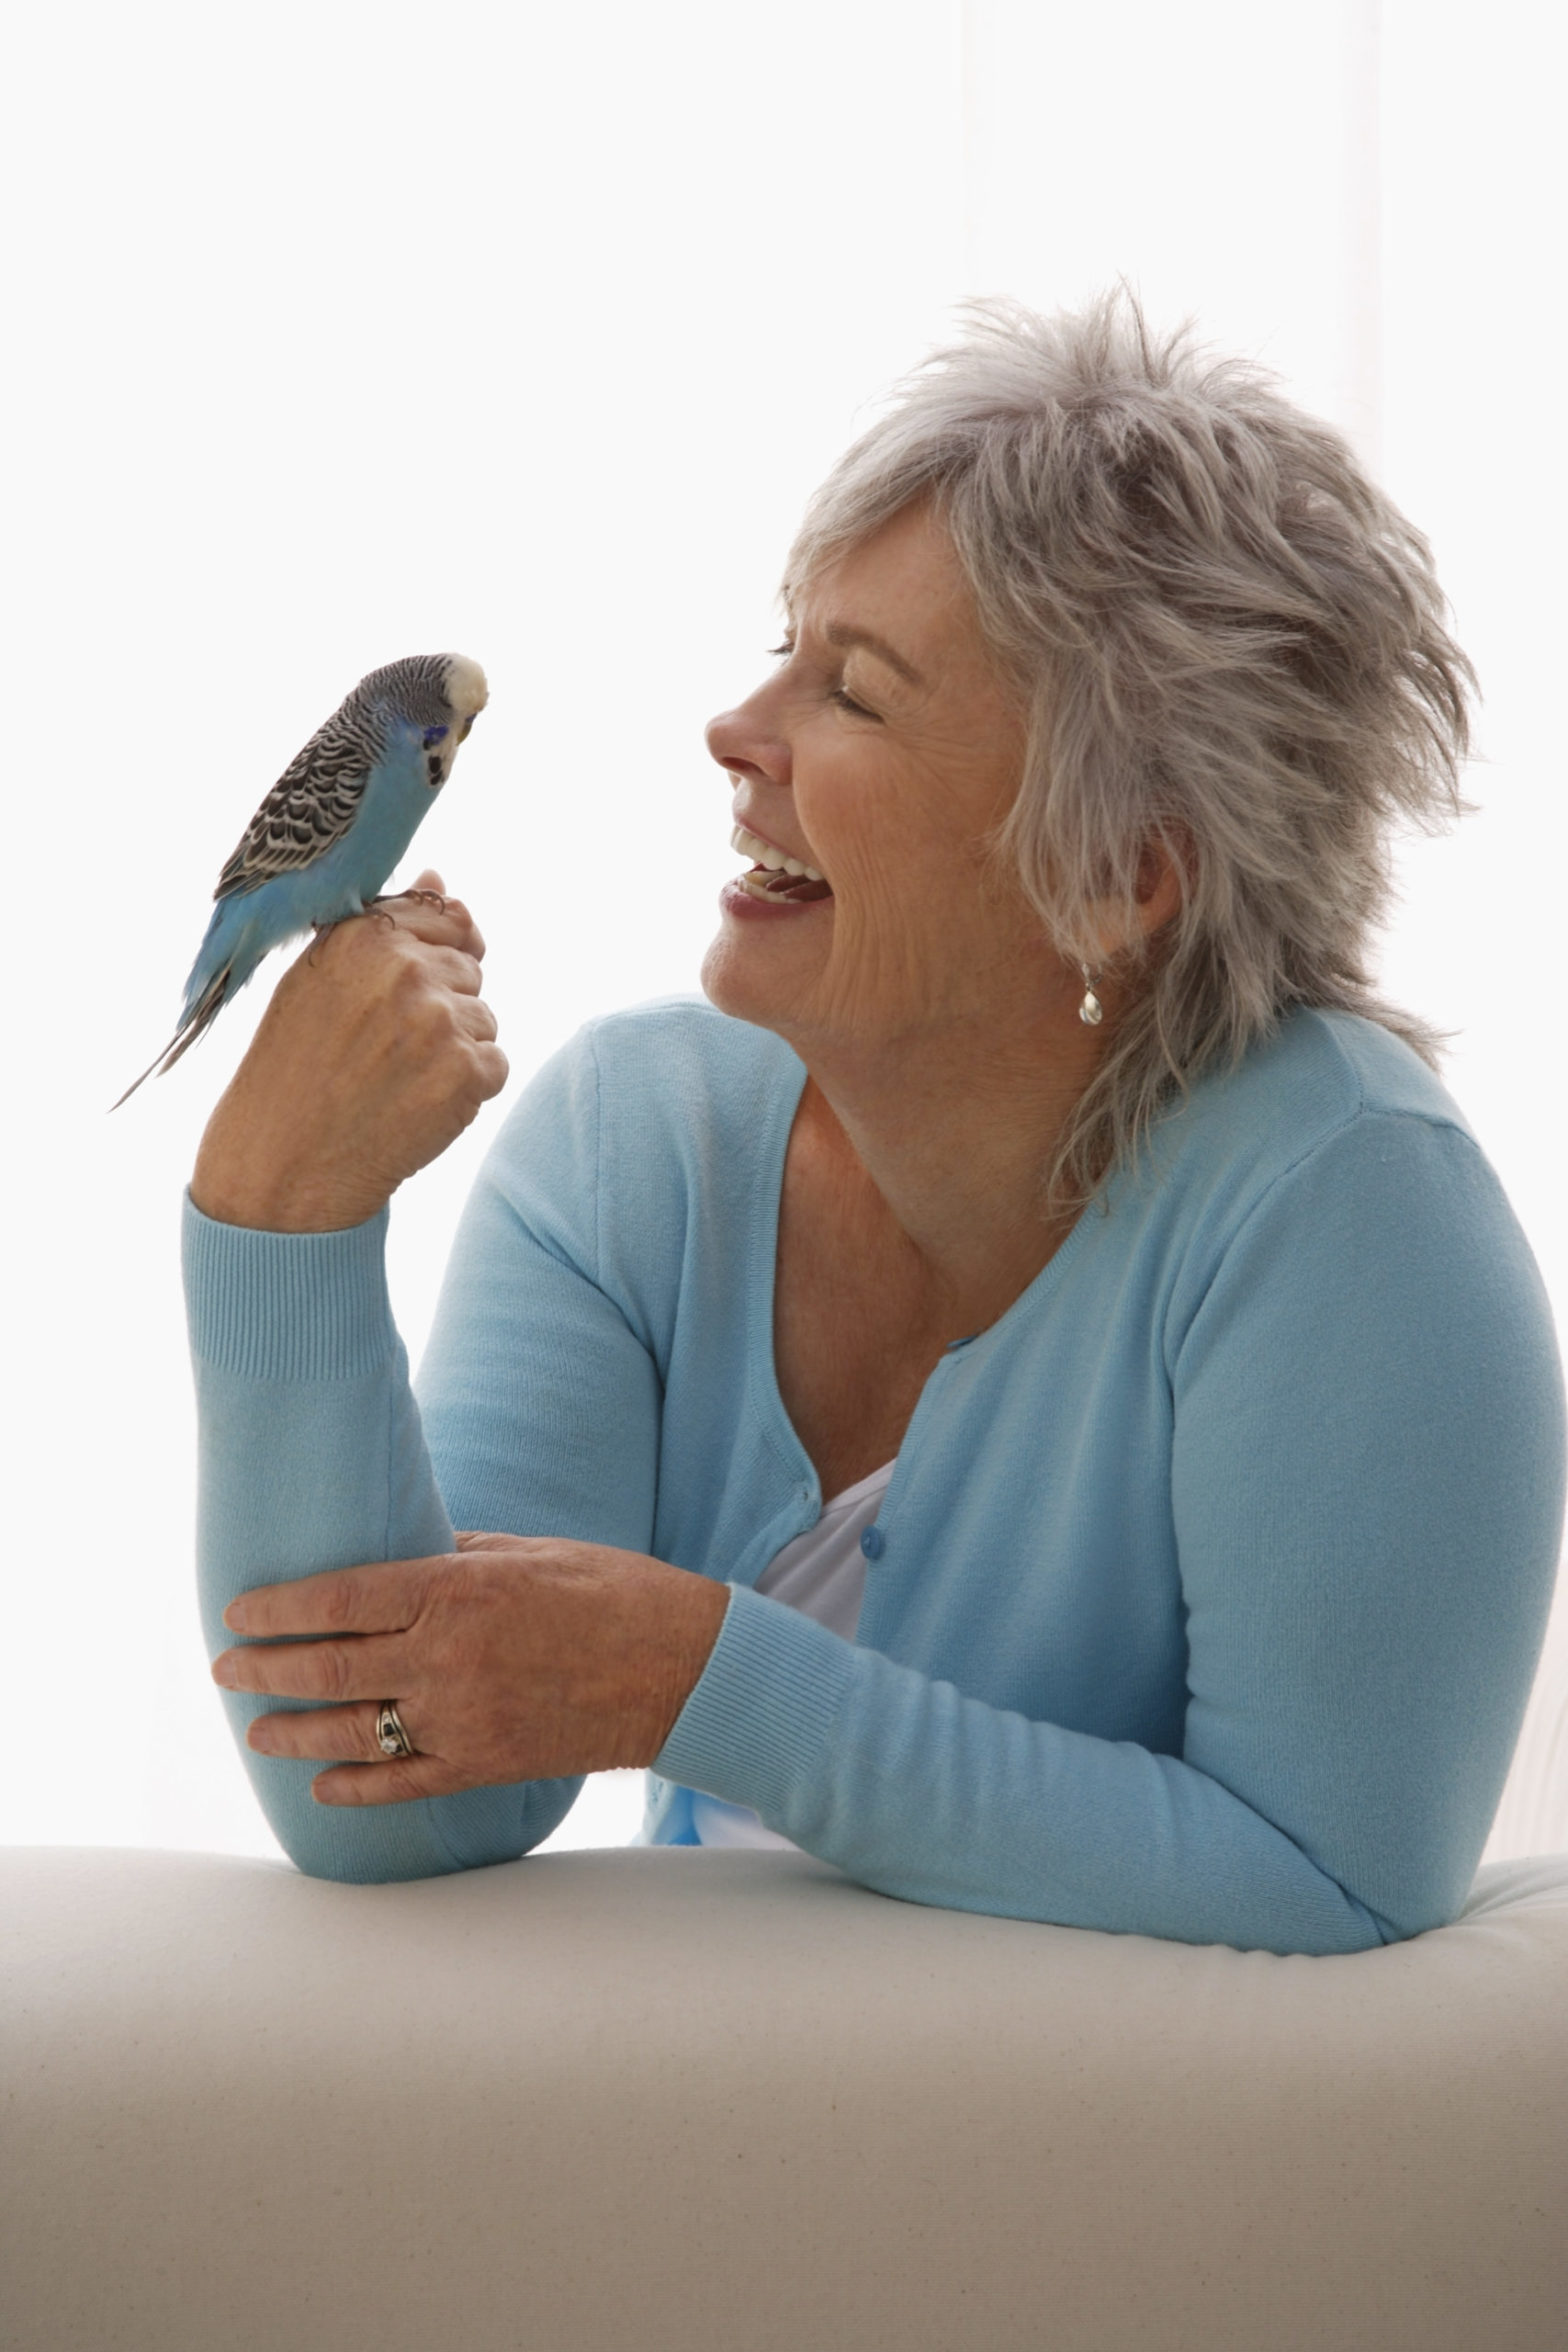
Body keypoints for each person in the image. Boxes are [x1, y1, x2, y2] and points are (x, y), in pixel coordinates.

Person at [191, 292, 1564, 1955]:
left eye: (855, 692)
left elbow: (1332, 1881)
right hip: (719, 2167)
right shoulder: (634, 1145)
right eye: (785, 643)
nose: (735, 729)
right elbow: (397, 1796)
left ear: (1117, 875)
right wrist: (281, 1222)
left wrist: (698, 1681)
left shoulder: (1352, 1214)